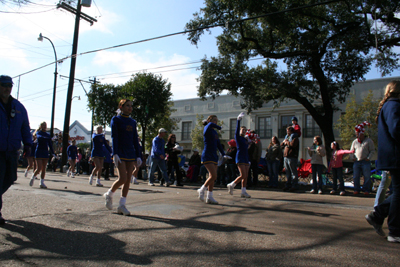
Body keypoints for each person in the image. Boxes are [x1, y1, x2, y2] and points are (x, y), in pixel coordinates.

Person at [365, 80, 400, 243]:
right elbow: (397, 129)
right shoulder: (394, 105)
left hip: (392, 155)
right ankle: (394, 230)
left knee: (397, 191)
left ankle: (378, 216)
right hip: (396, 155)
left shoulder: (389, 105)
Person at [0, 75, 32, 225]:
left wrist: (28, 145)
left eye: (9, 85)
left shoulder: (18, 107)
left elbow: (25, 127)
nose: (7, 88)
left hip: (12, 151)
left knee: (10, 178)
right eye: (3, 85)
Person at [103, 99, 142, 216]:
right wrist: (114, 153)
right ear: (121, 107)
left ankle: (122, 205)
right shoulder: (116, 119)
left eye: (131, 106)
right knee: (122, 178)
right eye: (127, 105)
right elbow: (114, 137)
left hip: (130, 152)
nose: (130, 108)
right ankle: (109, 194)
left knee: (128, 179)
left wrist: (138, 155)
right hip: (120, 152)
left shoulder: (133, 121)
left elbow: (135, 139)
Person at [197, 115, 229, 204]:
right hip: (207, 155)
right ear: (209, 120)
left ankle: (209, 197)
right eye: (214, 120)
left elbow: (218, 144)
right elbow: (210, 124)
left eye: (217, 120)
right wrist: (218, 127)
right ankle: (202, 189)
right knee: (213, 175)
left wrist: (223, 154)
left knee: (212, 177)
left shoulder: (215, 132)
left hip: (214, 155)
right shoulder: (207, 128)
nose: (216, 122)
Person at [227, 112, 251, 198]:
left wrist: (250, 142)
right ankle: (232, 184)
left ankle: (243, 191)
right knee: (243, 175)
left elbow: (247, 148)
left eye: (245, 130)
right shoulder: (238, 137)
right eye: (242, 130)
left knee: (246, 176)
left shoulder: (245, 139)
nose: (244, 131)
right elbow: (236, 130)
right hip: (240, 157)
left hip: (246, 157)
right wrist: (238, 120)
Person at [350, 121, 375, 195]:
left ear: (362, 134)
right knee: (356, 176)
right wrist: (352, 157)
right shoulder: (355, 141)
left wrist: (369, 157)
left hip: (365, 161)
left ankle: (366, 189)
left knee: (367, 176)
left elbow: (372, 150)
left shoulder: (369, 141)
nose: (357, 135)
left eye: (358, 134)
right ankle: (356, 189)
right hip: (357, 161)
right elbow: (352, 151)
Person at [30, 122, 56, 189]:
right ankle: (33, 177)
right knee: (39, 168)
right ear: (41, 126)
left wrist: (53, 153)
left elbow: (50, 145)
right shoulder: (38, 133)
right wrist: (50, 138)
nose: (45, 126)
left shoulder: (48, 135)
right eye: (43, 125)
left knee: (44, 168)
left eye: (46, 125)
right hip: (39, 151)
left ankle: (41, 182)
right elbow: (40, 138)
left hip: (45, 152)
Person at [281, 126, 300, 192]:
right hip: (286, 156)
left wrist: (287, 142)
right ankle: (288, 185)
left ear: (291, 131)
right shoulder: (287, 137)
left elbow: (293, 145)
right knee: (287, 172)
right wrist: (283, 142)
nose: (287, 132)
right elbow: (281, 146)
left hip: (292, 157)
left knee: (293, 172)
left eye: (288, 131)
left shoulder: (295, 137)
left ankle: (294, 185)